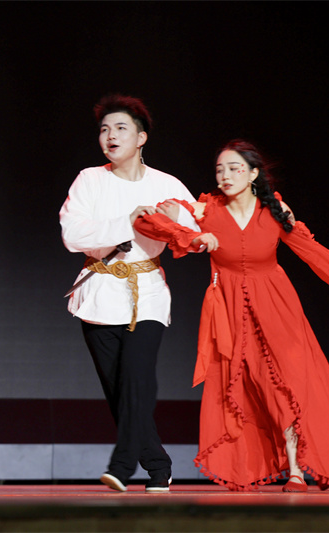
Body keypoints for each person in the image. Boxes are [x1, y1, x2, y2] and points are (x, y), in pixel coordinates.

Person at [133, 139, 329, 492]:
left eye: (234, 168)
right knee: (242, 387)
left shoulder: (274, 210)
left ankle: (295, 470)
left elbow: (308, 249)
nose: (225, 176)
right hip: (230, 312)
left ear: (253, 173)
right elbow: (145, 219)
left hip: (277, 308)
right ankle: (247, 467)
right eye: (220, 170)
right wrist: (193, 237)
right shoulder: (203, 210)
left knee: (286, 383)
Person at [59, 94, 197, 493]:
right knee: (118, 391)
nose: (110, 136)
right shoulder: (90, 179)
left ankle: (126, 467)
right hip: (100, 293)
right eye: (104, 129)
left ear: (141, 138)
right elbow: (73, 235)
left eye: (120, 128)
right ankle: (158, 464)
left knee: (136, 379)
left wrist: (177, 220)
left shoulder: (166, 184)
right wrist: (127, 220)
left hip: (147, 293)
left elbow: (194, 233)